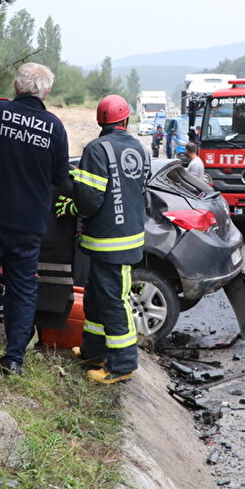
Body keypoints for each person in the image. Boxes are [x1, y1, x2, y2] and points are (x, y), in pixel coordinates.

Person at [0, 63, 69, 376]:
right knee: (21, 290)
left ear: (16, 86)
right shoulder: (55, 127)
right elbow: (60, 177)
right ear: (46, 91)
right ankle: (14, 360)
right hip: (29, 225)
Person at [64, 94, 151, 384]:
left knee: (113, 301)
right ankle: (94, 351)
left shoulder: (96, 149)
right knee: (96, 298)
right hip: (125, 238)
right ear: (126, 120)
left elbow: (89, 200)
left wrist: (71, 205)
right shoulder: (139, 148)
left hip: (107, 240)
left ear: (100, 121)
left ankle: (122, 364)